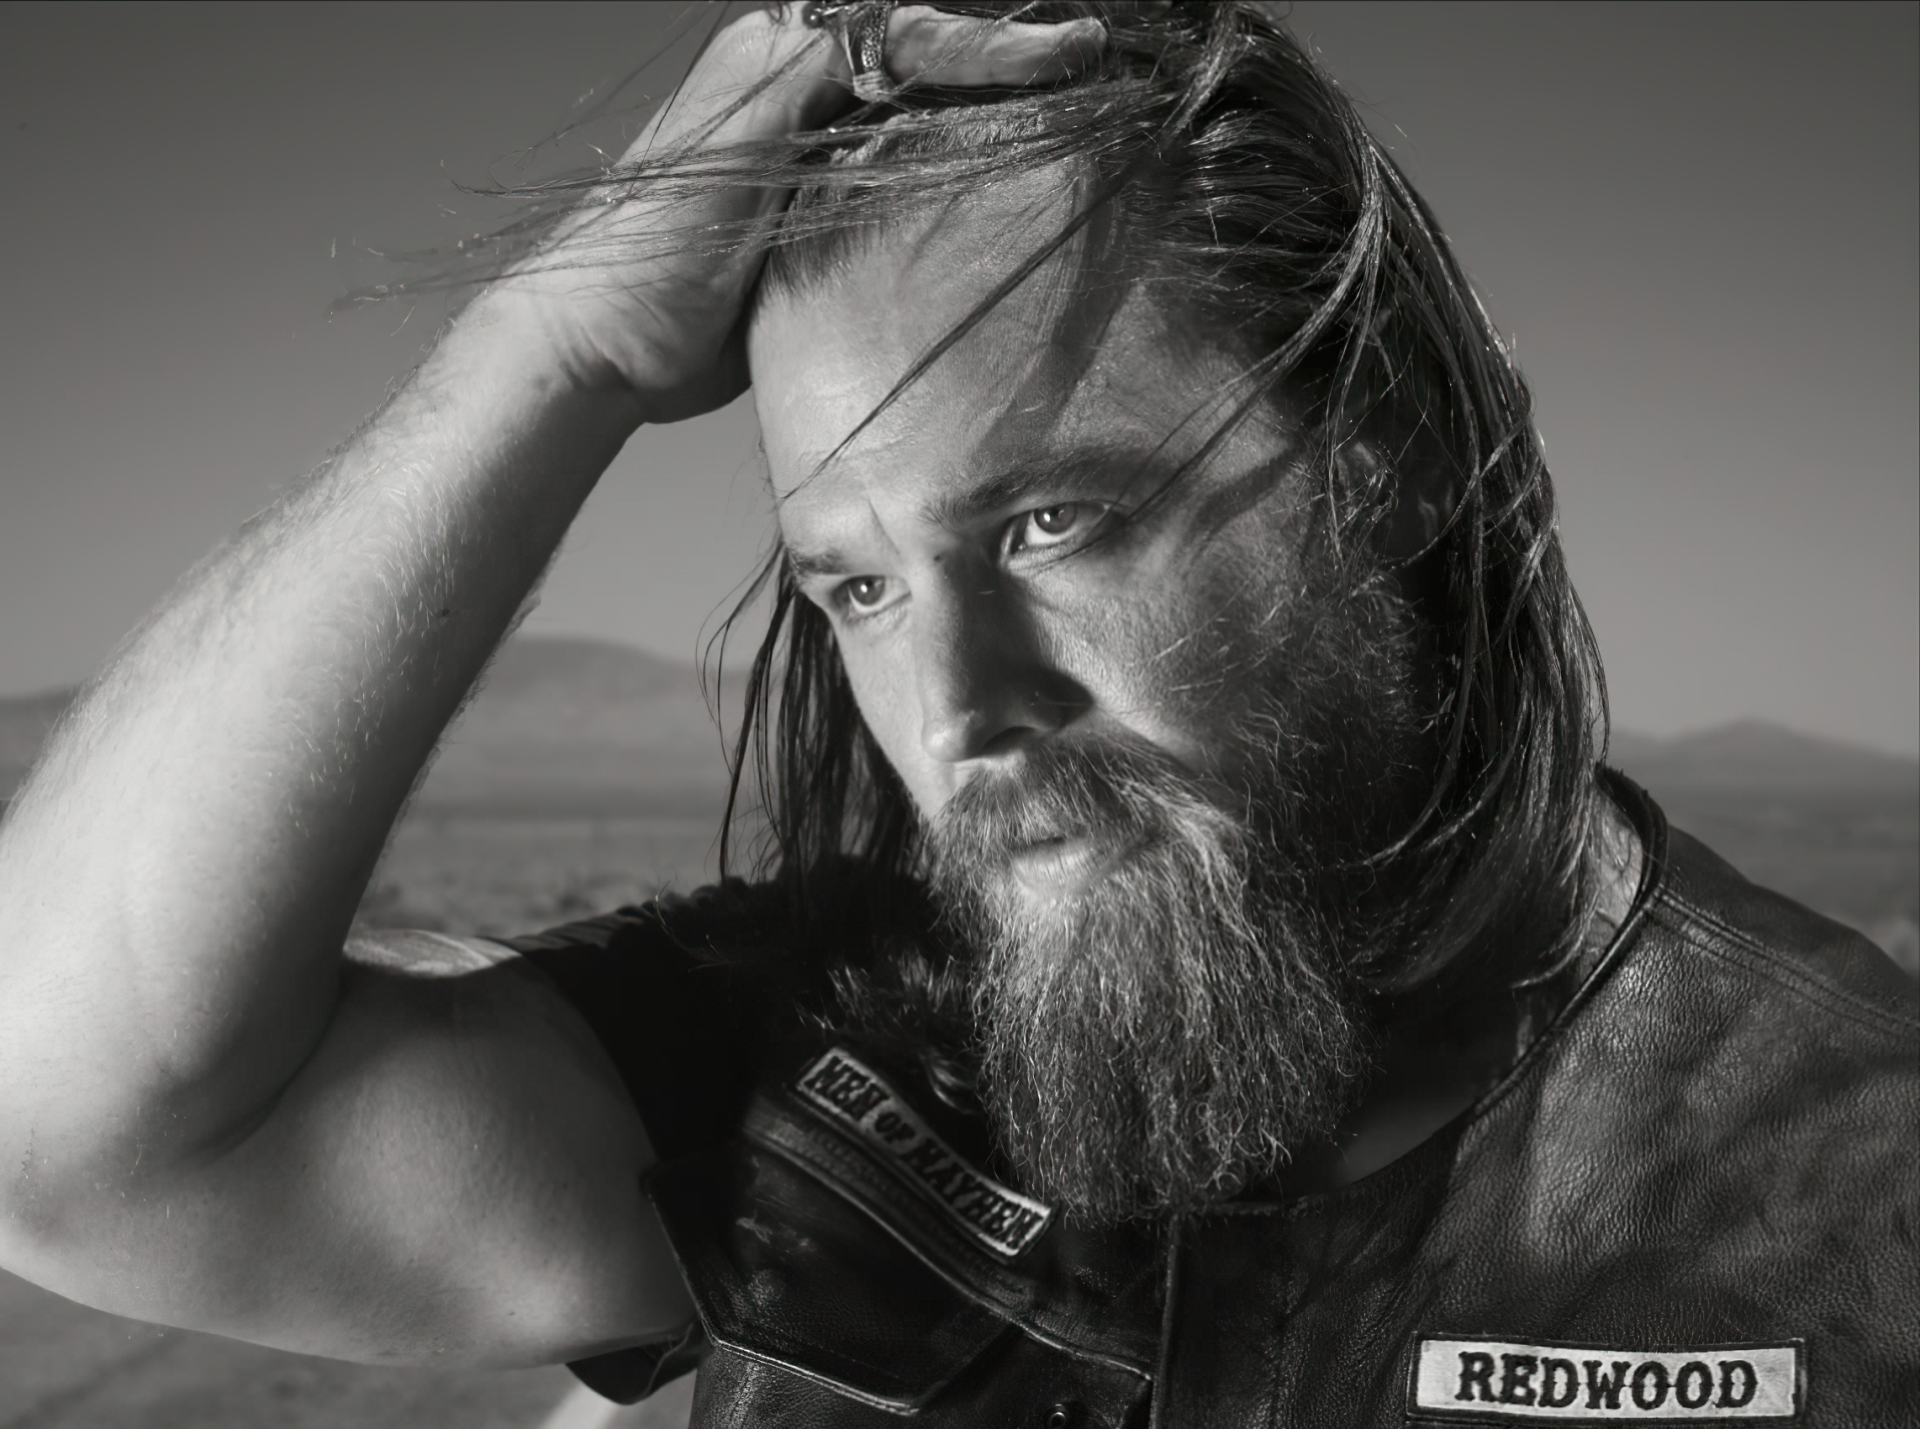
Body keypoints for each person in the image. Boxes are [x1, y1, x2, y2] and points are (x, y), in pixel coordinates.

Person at [0, 5, 1912, 1425]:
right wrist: (555, 343)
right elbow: (65, 1132)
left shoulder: (1858, 1182)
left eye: (1055, 517)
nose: (956, 710)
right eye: (856, 587)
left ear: (1388, 459)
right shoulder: (846, 1066)